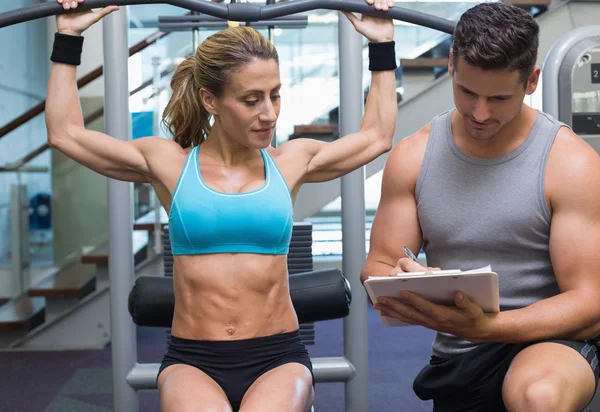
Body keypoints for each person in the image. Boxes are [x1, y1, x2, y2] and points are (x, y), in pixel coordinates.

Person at [51, 0, 397, 411]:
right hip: (193, 359)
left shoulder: (291, 161)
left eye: (275, 95)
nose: (269, 113)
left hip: (278, 356)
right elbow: (66, 133)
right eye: (251, 100)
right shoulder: (170, 164)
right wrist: (68, 36)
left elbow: (376, 136)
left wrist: (382, 44)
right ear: (210, 101)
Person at [361, 3, 600, 412]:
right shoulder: (413, 156)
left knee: (537, 396)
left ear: (531, 81)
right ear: (452, 64)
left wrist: (490, 327)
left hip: (549, 342)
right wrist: (401, 277)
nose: (480, 112)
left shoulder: (571, 163)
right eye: (467, 92)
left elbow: (591, 301)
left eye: (498, 98)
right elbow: (377, 267)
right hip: (459, 353)